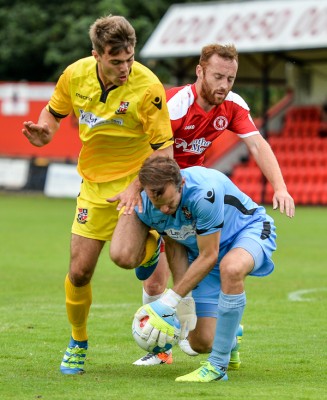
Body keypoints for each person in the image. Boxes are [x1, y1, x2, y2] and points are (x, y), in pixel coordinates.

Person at [22, 15, 174, 375]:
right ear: (96, 55)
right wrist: (45, 131)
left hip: (133, 186)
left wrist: (135, 186)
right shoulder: (75, 75)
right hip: (92, 188)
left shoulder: (148, 86)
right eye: (116, 61)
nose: (125, 68)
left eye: (130, 58)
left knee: (125, 259)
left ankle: (152, 251)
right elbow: (54, 112)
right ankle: (77, 342)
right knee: (79, 272)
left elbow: (164, 152)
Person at [133, 43, 294, 365]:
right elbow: (147, 151)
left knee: (174, 281)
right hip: (157, 194)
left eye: (230, 79)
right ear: (200, 71)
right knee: (147, 273)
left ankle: (168, 345)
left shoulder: (232, 105)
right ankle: (169, 343)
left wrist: (280, 187)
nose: (224, 85)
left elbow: (258, 144)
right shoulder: (176, 105)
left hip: (188, 197)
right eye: (218, 76)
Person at [111, 156, 277, 382]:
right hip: (202, 251)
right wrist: (184, 300)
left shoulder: (203, 192)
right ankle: (232, 334)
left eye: (169, 203)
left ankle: (218, 368)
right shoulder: (149, 205)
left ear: (181, 184)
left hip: (247, 231)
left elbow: (211, 255)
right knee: (200, 343)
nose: (165, 209)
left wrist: (169, 301)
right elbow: (174, 243)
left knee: (231, 268)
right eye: (158, 204)